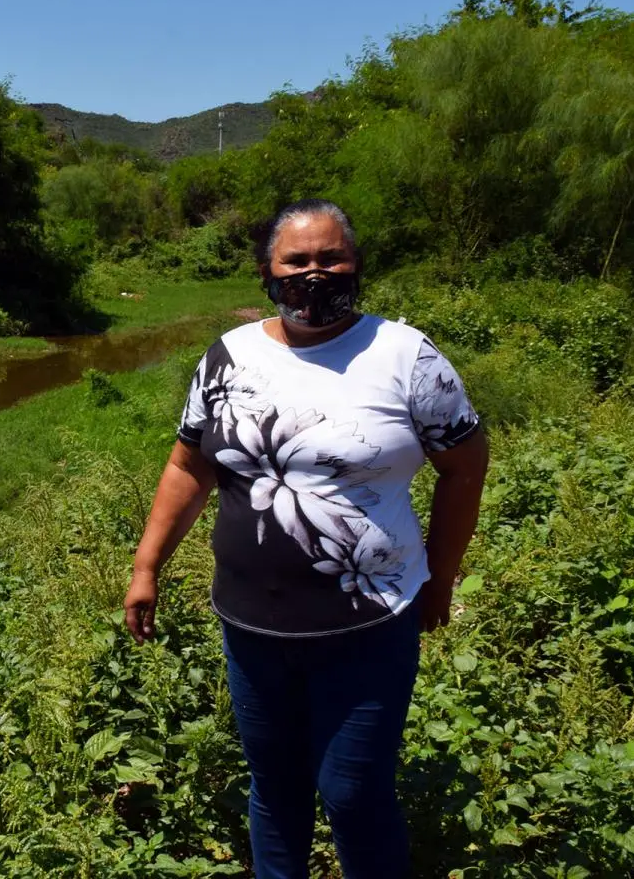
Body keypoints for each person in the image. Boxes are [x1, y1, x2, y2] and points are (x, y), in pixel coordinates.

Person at [123, 199, 489, 878]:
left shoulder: (405, 356)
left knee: (353, 794)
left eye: (331, 259)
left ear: (357, 266)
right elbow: (188, 465)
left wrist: (441, 576)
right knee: (276, 789)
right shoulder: (228, 357)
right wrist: (147, 566)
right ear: (267, 270)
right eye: (296, 261)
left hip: (370, 624)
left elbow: (464, 466)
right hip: (252, 628)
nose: (314, 274)